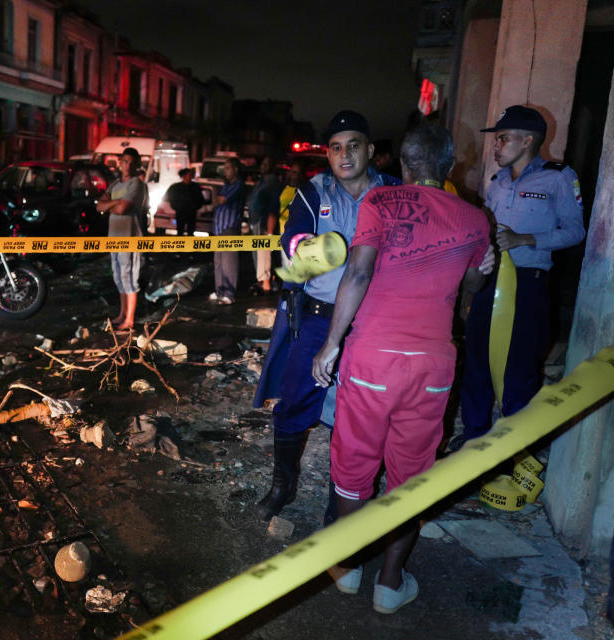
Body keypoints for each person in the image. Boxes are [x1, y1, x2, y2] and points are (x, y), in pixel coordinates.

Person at [311, 123, 493, 613]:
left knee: (353, 464)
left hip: (374, 356)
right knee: (412, 476)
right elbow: (471, 291)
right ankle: (390, 584)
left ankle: (348, 569)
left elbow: (360, 270)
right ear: (450, 167)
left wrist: (331, 344)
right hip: (433, 364)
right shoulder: (477, 220)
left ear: (403, 165)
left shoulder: (380, 203)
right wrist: (482, 268)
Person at [251, 110, 401, 522]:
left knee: (363, 411)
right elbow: (292, 237)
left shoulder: (393, 191)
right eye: (336, 148)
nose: (345, 154)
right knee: (296, 398)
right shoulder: (313, 192)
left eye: (354, 145)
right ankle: (283, 484)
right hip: (319, 318)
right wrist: (305, 247)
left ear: (370, 150)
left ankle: (345, 498)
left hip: (373, 321)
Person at [454, 105, 586, 450]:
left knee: (519, 368)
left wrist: (525, 239)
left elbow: (575, 231)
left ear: (527, 141)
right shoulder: (496, 182)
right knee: (477, 360)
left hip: (529, 282)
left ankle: (515, 449)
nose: (496, 147)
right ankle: (474, 440)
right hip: (490, 280)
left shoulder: (558, 177)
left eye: (502, 139)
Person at [96, 147, 148, 331]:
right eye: (125, 161)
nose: (128, 165)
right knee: (118, 276)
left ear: (137, 165)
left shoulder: (137, 184)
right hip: (114, 238)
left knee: (129, 277)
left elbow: (122, 209)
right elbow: (98, 207)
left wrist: (109, 205)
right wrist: (114, 204)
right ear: (120, 163)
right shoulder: (115, 184)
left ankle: (130, 319)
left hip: (130, 238)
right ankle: (122, 313)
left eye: (132, 162)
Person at [208, 157, 246, 305]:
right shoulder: (226, 185)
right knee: (218, 261)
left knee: (229, 262)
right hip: (218, 228)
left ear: (236, 169)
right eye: (225, 168)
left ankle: (230, 293)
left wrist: (215, 200)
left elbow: (222, 200)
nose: (226, 171)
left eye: (228, 168)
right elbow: (217, 200)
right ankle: (219, 291)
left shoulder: (238, 185)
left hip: (229, 227)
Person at [248, 156, 282, 294]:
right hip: (256, 220)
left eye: (267, 164)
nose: (263, 166)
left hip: (264, 221)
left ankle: (266, 283)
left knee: (263, 253)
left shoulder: (272, 182)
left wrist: (269, 230)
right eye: (263, 163)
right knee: (258, 252)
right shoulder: (262, 181)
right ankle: (263, 281)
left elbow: (272, 206)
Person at [162, 168, 205, 236]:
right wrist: (176, 207)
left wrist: (195, 207)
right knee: (180, 231)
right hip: (180, 212)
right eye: (189, 175)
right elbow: (169, 197)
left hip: (191, 213)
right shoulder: (176, 187)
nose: (190, 177)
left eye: (191, 175)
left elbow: (200, 199)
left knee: (190, 232)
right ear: (184, 176)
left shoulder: (195, 186)